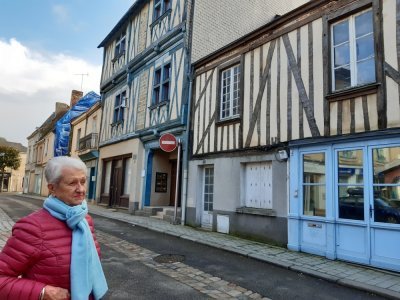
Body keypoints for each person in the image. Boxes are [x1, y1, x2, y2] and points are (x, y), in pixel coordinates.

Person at [0, 156, 108, 300]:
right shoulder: (32, 228)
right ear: (52, 188)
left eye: (83, 181)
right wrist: (42, 292)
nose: (81, 189)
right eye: (72, 183)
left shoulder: (84, 219)